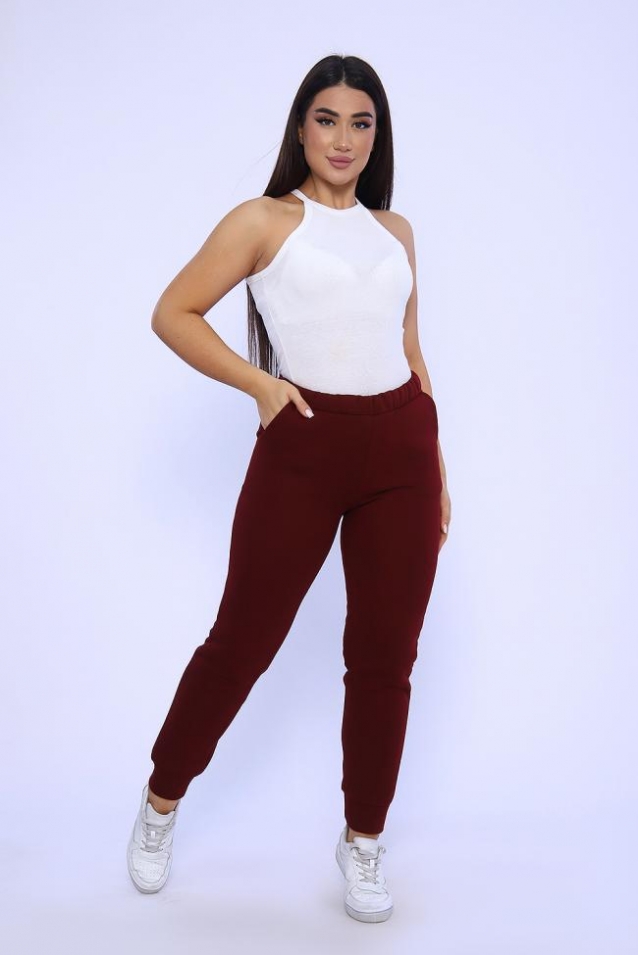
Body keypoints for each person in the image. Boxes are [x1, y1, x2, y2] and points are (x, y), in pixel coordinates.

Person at [126, 52, 451, 923]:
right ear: (301, 128)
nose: (343, 139)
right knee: (243, 641)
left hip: (402, 451)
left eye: (361, 122)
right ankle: (160, 800)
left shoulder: (396, 232)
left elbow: (411, 353)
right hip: (303, 444)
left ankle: (364, 839)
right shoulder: (266, 220)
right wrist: (261, 387)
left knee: (385, 658)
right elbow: (172, 312)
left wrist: (438, 471)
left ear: (377, 135)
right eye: (327, 119)